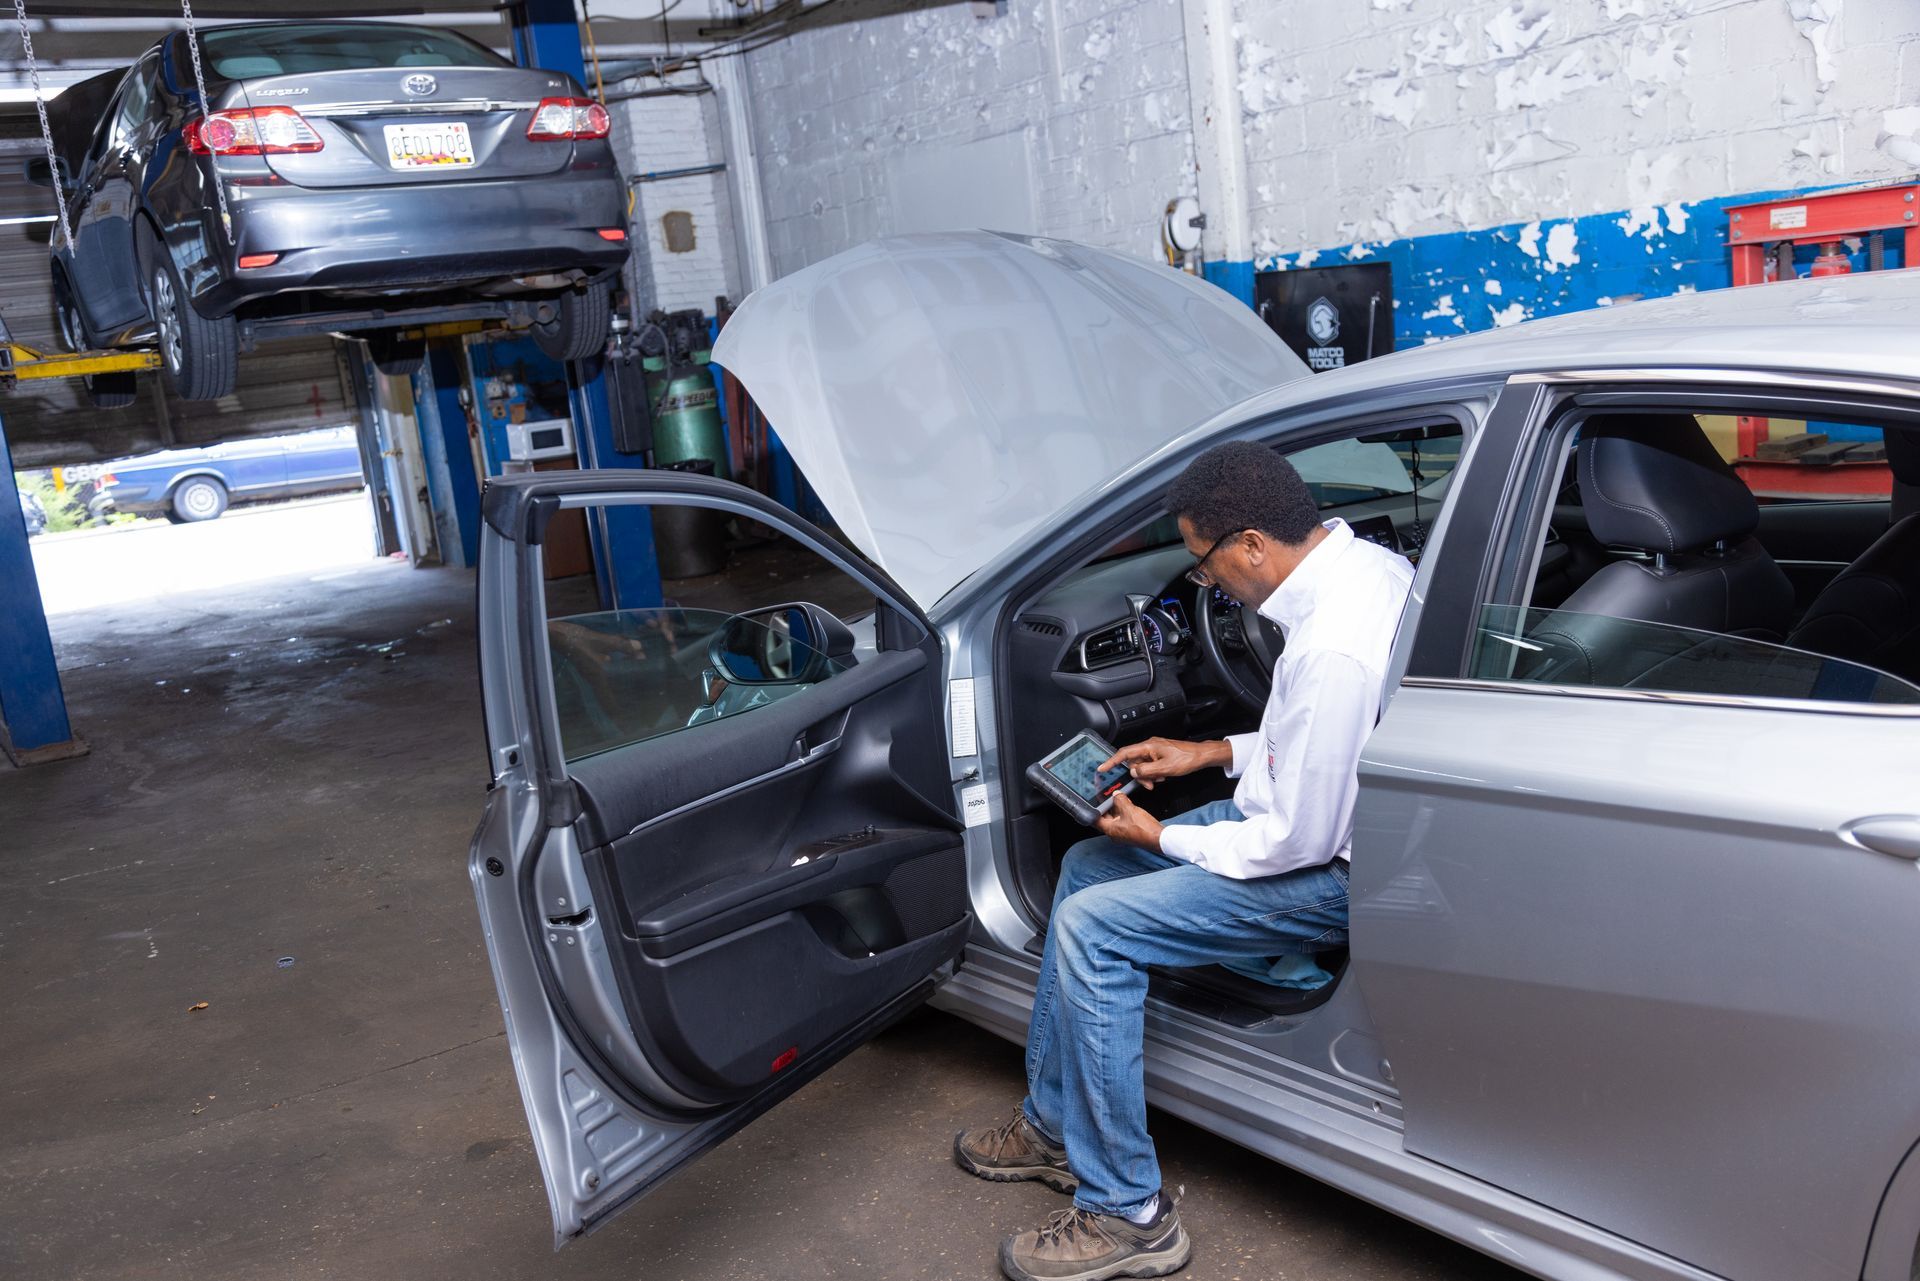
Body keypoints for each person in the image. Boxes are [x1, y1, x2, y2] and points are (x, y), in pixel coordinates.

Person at [954, 440, 1415, 1281]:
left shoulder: (1331, 649)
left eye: (1203, 566)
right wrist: (1206, 752)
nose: (1208, 584)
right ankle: (1054, 1125)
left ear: (1249, 544)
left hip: (1331, 873)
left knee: (1096, 928)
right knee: (1088, 866)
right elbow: (1315, 747)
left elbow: (1298, 844)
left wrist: (1160, 836)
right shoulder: (1364, 570)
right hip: (1297, 813)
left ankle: (1128, 1212)